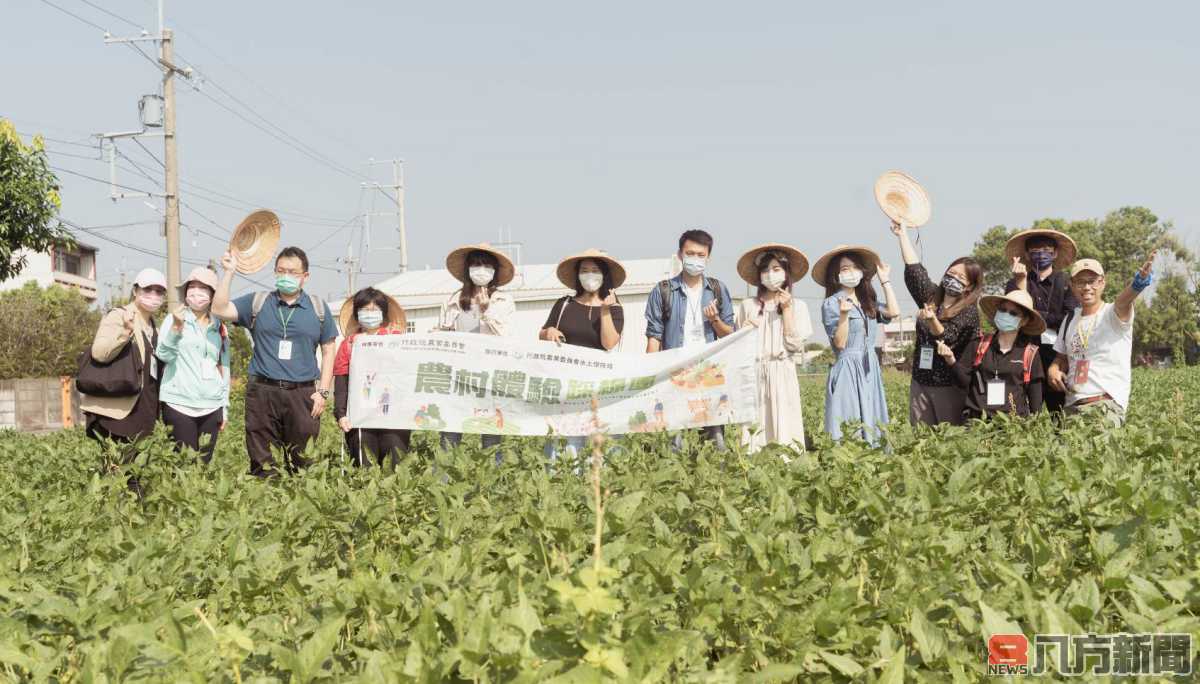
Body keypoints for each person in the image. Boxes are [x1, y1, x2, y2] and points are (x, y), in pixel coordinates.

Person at [211, 247, 338, 477]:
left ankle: (300, 506)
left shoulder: (318, 309)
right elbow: (219, 309)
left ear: (305, 276)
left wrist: (323, 392)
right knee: (261, 458)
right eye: (281, 271)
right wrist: (229, 272)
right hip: (262, 391)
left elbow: (329, 350)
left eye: (292, 272)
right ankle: (265, 503)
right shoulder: (258, 302)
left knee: (303, 459)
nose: (286, 276)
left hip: (303, 393)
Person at [644, 228, 735, 450]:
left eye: (700, 255)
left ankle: (716, 483)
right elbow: (654, 337)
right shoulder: (663, 291)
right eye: (690, 253)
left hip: (709, 374)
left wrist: (715, 321)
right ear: (680, 254)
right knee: (675, 439)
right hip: (675, 374)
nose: (695, 259)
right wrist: (649, 376)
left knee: (715, 440)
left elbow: (730, 335)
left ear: (708, 257)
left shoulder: (717, 289)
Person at [80, 268, 167, 494]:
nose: (153, 295)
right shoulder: (120, 316)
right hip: (119, 409)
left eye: (159, 291)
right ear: (135, 290)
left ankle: (132, 519)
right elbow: (99, 352)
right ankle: (112, 519)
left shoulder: (156, 326)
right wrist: (125, 334)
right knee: (118, 473)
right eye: (148, 289)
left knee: (136, 470)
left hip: (144, 408)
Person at [891, 221, 983, 427]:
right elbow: (915, 272)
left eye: (961, 277)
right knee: (922, 439)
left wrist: (932, 319)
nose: (953, 278)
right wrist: (902, 236)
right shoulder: (932, 297)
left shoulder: (969, 313)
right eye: (951, 273)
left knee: (948, 441)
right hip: (920, 380)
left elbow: (947, 336)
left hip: (947, 385)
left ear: (969, 287)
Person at [1048, 254, 1156, 427]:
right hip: (1071, 408)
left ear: (1102, 283)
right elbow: (1061, 358)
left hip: (1104, 405)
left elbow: (1123, 301)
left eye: (1092, 281)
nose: (1087, 287)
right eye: (1080, 282)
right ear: (1072, 286)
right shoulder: (1069, 320)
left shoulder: (1112, 314)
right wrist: (1053, 370)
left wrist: (1139, 283)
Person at [540, 249, 626, 460]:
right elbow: (543, 333)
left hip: (601, 388)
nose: (590, 275)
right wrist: (548, 332)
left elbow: (609, 343)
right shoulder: (564, 304)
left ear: (604, 275)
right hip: (567, 387)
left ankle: (598, 489)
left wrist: (605, 310)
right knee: (565, 446)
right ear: (578, 275)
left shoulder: (615, 309)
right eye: (584, 270)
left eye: (595, 270)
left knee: (600, 447)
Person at [436, 243, 516, 456]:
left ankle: (492, 484)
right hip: (458, 376)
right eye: (476, 265)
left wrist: (486, 310)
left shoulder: (503, 300)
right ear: (468, 270)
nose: (481, 271)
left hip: (489, 376)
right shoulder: (453, 301)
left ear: (494, 272)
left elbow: (505, 338)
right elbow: (443, 335)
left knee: (491, 436)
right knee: (450, 434)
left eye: (487, 266)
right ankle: (445, 484)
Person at [815, 246, 899, 444]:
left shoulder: (867, 301)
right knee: (849, 421)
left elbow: (893, 312)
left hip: (869, 366)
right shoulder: (831, 303)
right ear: (836, 275)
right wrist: (844, 314)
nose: (850, 272)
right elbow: (840, 343)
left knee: (873, 418)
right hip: (848, 367)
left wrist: (885, 280)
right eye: (844, 269)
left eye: (854, 268)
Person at [734, 244, 812, 454]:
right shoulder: (747, 305)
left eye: (777, 269)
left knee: (785, 422)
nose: (771, 274)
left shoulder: (799, 306)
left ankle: (788, 469)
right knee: (755, 427)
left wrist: (786, 311)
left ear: (786, 273)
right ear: (759, 276)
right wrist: (745, 330)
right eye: (766, 270)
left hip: (782, 370)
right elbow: (738, 346)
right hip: (755, 372)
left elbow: (795, 346)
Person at [155, 267, 230, 463]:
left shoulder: (219, 326)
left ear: (213, 294)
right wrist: (176, 329)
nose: (196, 292)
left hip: (211, 405)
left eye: (203, 288)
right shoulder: (173, 319)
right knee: (184, 467)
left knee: (203, 466)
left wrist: (225, 406)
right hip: (179, 403)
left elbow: (224, 367)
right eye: (192, 287)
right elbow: (163, 355)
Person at [333, 287, 409, 469]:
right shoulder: (350, 344)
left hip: (393, 416)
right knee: (363, 466)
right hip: (360, 415)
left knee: (394, 465)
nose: (369, 314)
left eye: (374, 310)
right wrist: (341, 414)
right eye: (364, 310)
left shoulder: (397, 340)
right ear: (357, 314)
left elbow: (409, 374)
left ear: (383, 314)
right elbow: (341, 380)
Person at [1004, 228, 1079, 413]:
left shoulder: (1067, 283)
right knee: (1025, 410)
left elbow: (1070, 318)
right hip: (1024, 353)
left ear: (1054, 253)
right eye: (1035, 250)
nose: (1041, 254)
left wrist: (1035, 316)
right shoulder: (1016, 283)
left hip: (1057, 356)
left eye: (1046, 249)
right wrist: (1021, 284)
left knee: (1059, 412)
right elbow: (1012, 317)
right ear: (1028, 255)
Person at [945, 290, 1046, 419]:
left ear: (1024, 321)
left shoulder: (1030, 353)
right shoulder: (978, 345)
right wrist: (951, 361)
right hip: (977, 423)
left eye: (1013, 313)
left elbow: (1035, 401)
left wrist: (1034, 429)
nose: (1006, 315)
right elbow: (963, 382)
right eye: (1003, 310)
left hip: (1013, 427)